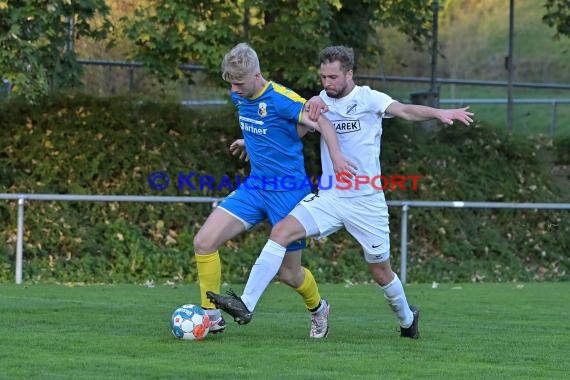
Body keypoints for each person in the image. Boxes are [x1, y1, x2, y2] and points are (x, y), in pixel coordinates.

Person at [207, 45, 474, 339]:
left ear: (349, 74)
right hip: (331, 197)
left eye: (333, 77)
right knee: (281, 231)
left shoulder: (369, 98)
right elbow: (294, 132)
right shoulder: (319, 101)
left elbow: (405, 110)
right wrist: (255, 143)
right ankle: (246, 304)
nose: (327, 83)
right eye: (323, 77)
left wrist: (439, 112)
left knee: (381, 272)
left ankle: (408, 318)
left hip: (366, 201)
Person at [193, 42, 356, 337]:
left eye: (239, 84)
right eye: (230, 84)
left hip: (288, 192)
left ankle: (319, 309)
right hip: (256, 187)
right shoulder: (242, 95)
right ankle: (211, 316)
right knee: (204, 242)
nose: (234, 91)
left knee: (289, 274)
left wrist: (337, 157)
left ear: (257, 76)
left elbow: (323, 124)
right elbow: (274, 130)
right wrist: (252, 144)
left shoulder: (282, 98)